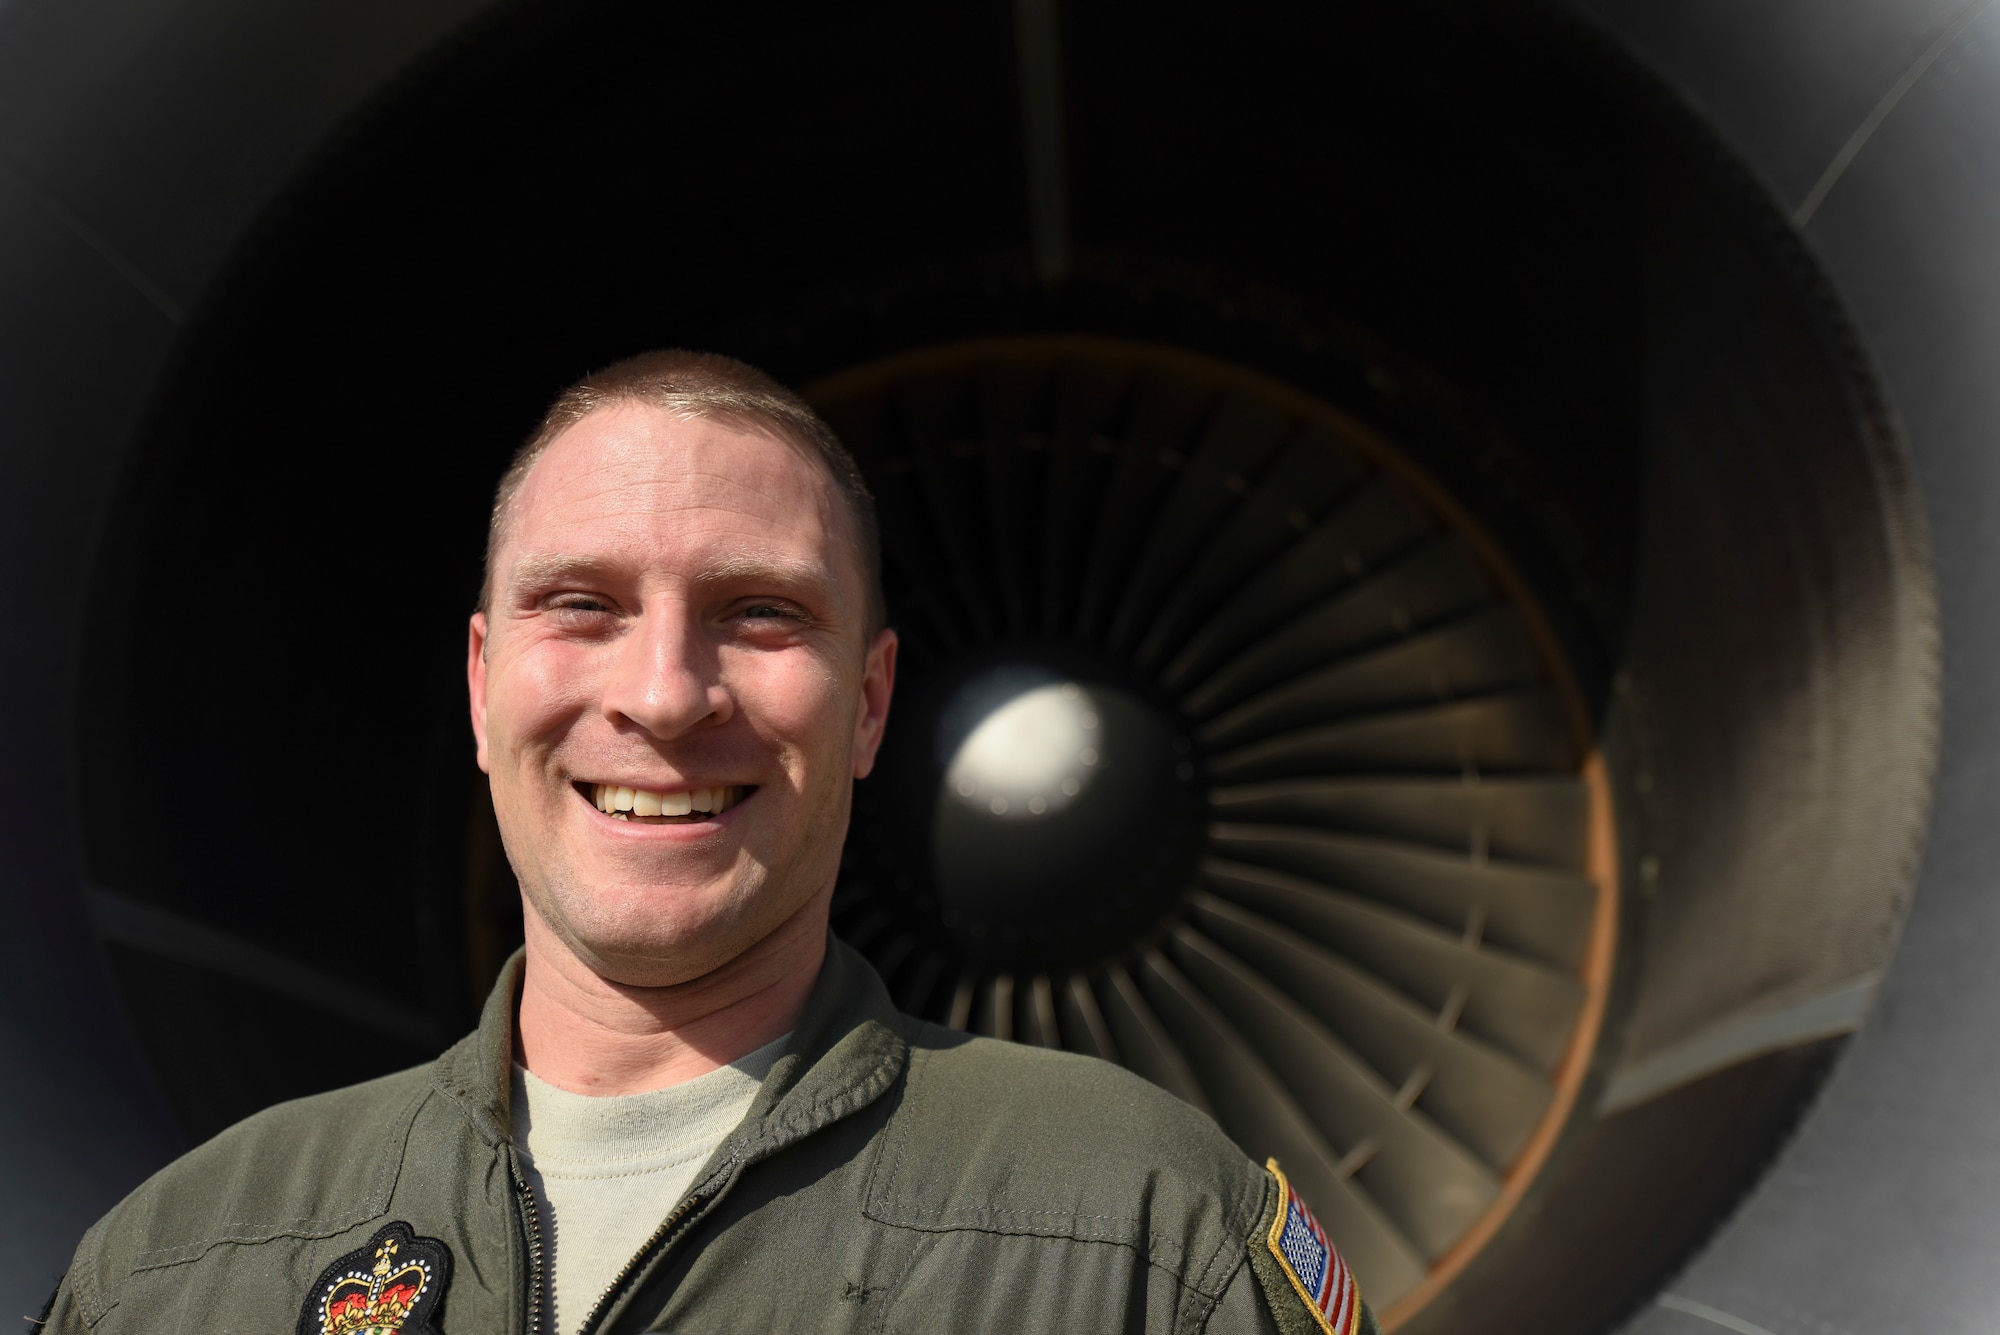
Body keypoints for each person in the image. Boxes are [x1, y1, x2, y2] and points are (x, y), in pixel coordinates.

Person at [39, 351, 1381, 1335]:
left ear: (866, 705)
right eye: (583, 604)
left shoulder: (1142, 1241)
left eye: (759, 613)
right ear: (482, 685)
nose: (667, 694)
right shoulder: (175, 1270)